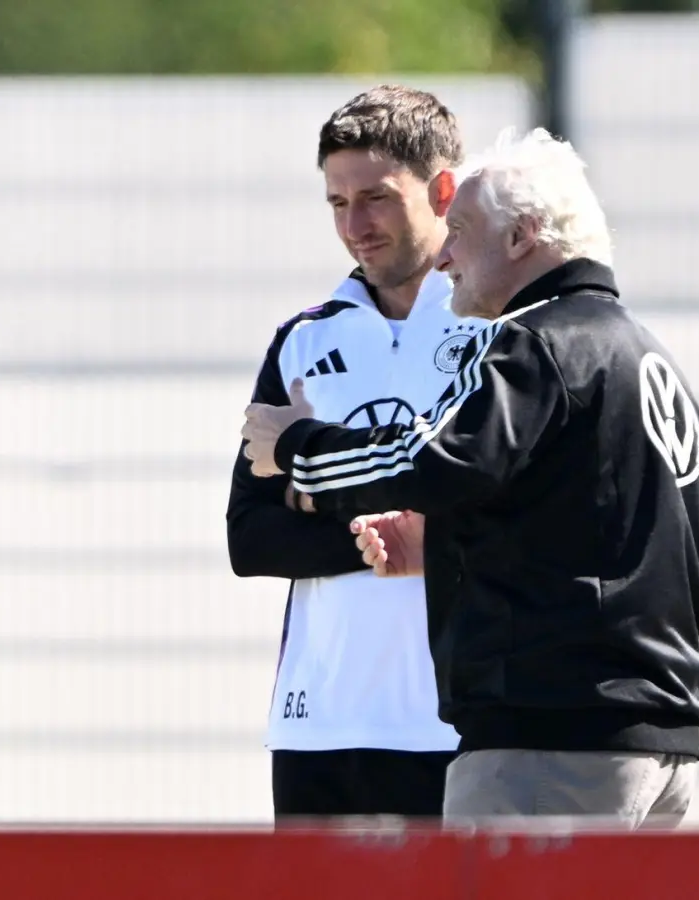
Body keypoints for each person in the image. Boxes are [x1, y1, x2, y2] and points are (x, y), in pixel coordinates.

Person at [240, 127, 699, 828]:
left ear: (522, 236)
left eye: (460, 230)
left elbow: (428, 465)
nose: (448, 255)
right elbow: (603, 539)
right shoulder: (649, 358)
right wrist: (447, 550)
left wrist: (299, 447)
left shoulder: (537, 343)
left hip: (548, 741)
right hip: (658, 746)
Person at [227, 85, 481, 822]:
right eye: (337, 203)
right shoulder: (304, 339)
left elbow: (502, 507)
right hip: (321, 723)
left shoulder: (498, 332)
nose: (355, 226)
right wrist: (391, 535)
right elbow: (250, 536)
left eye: (376, 198)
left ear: (441, 190)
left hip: (458, 723)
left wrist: (318, 486)